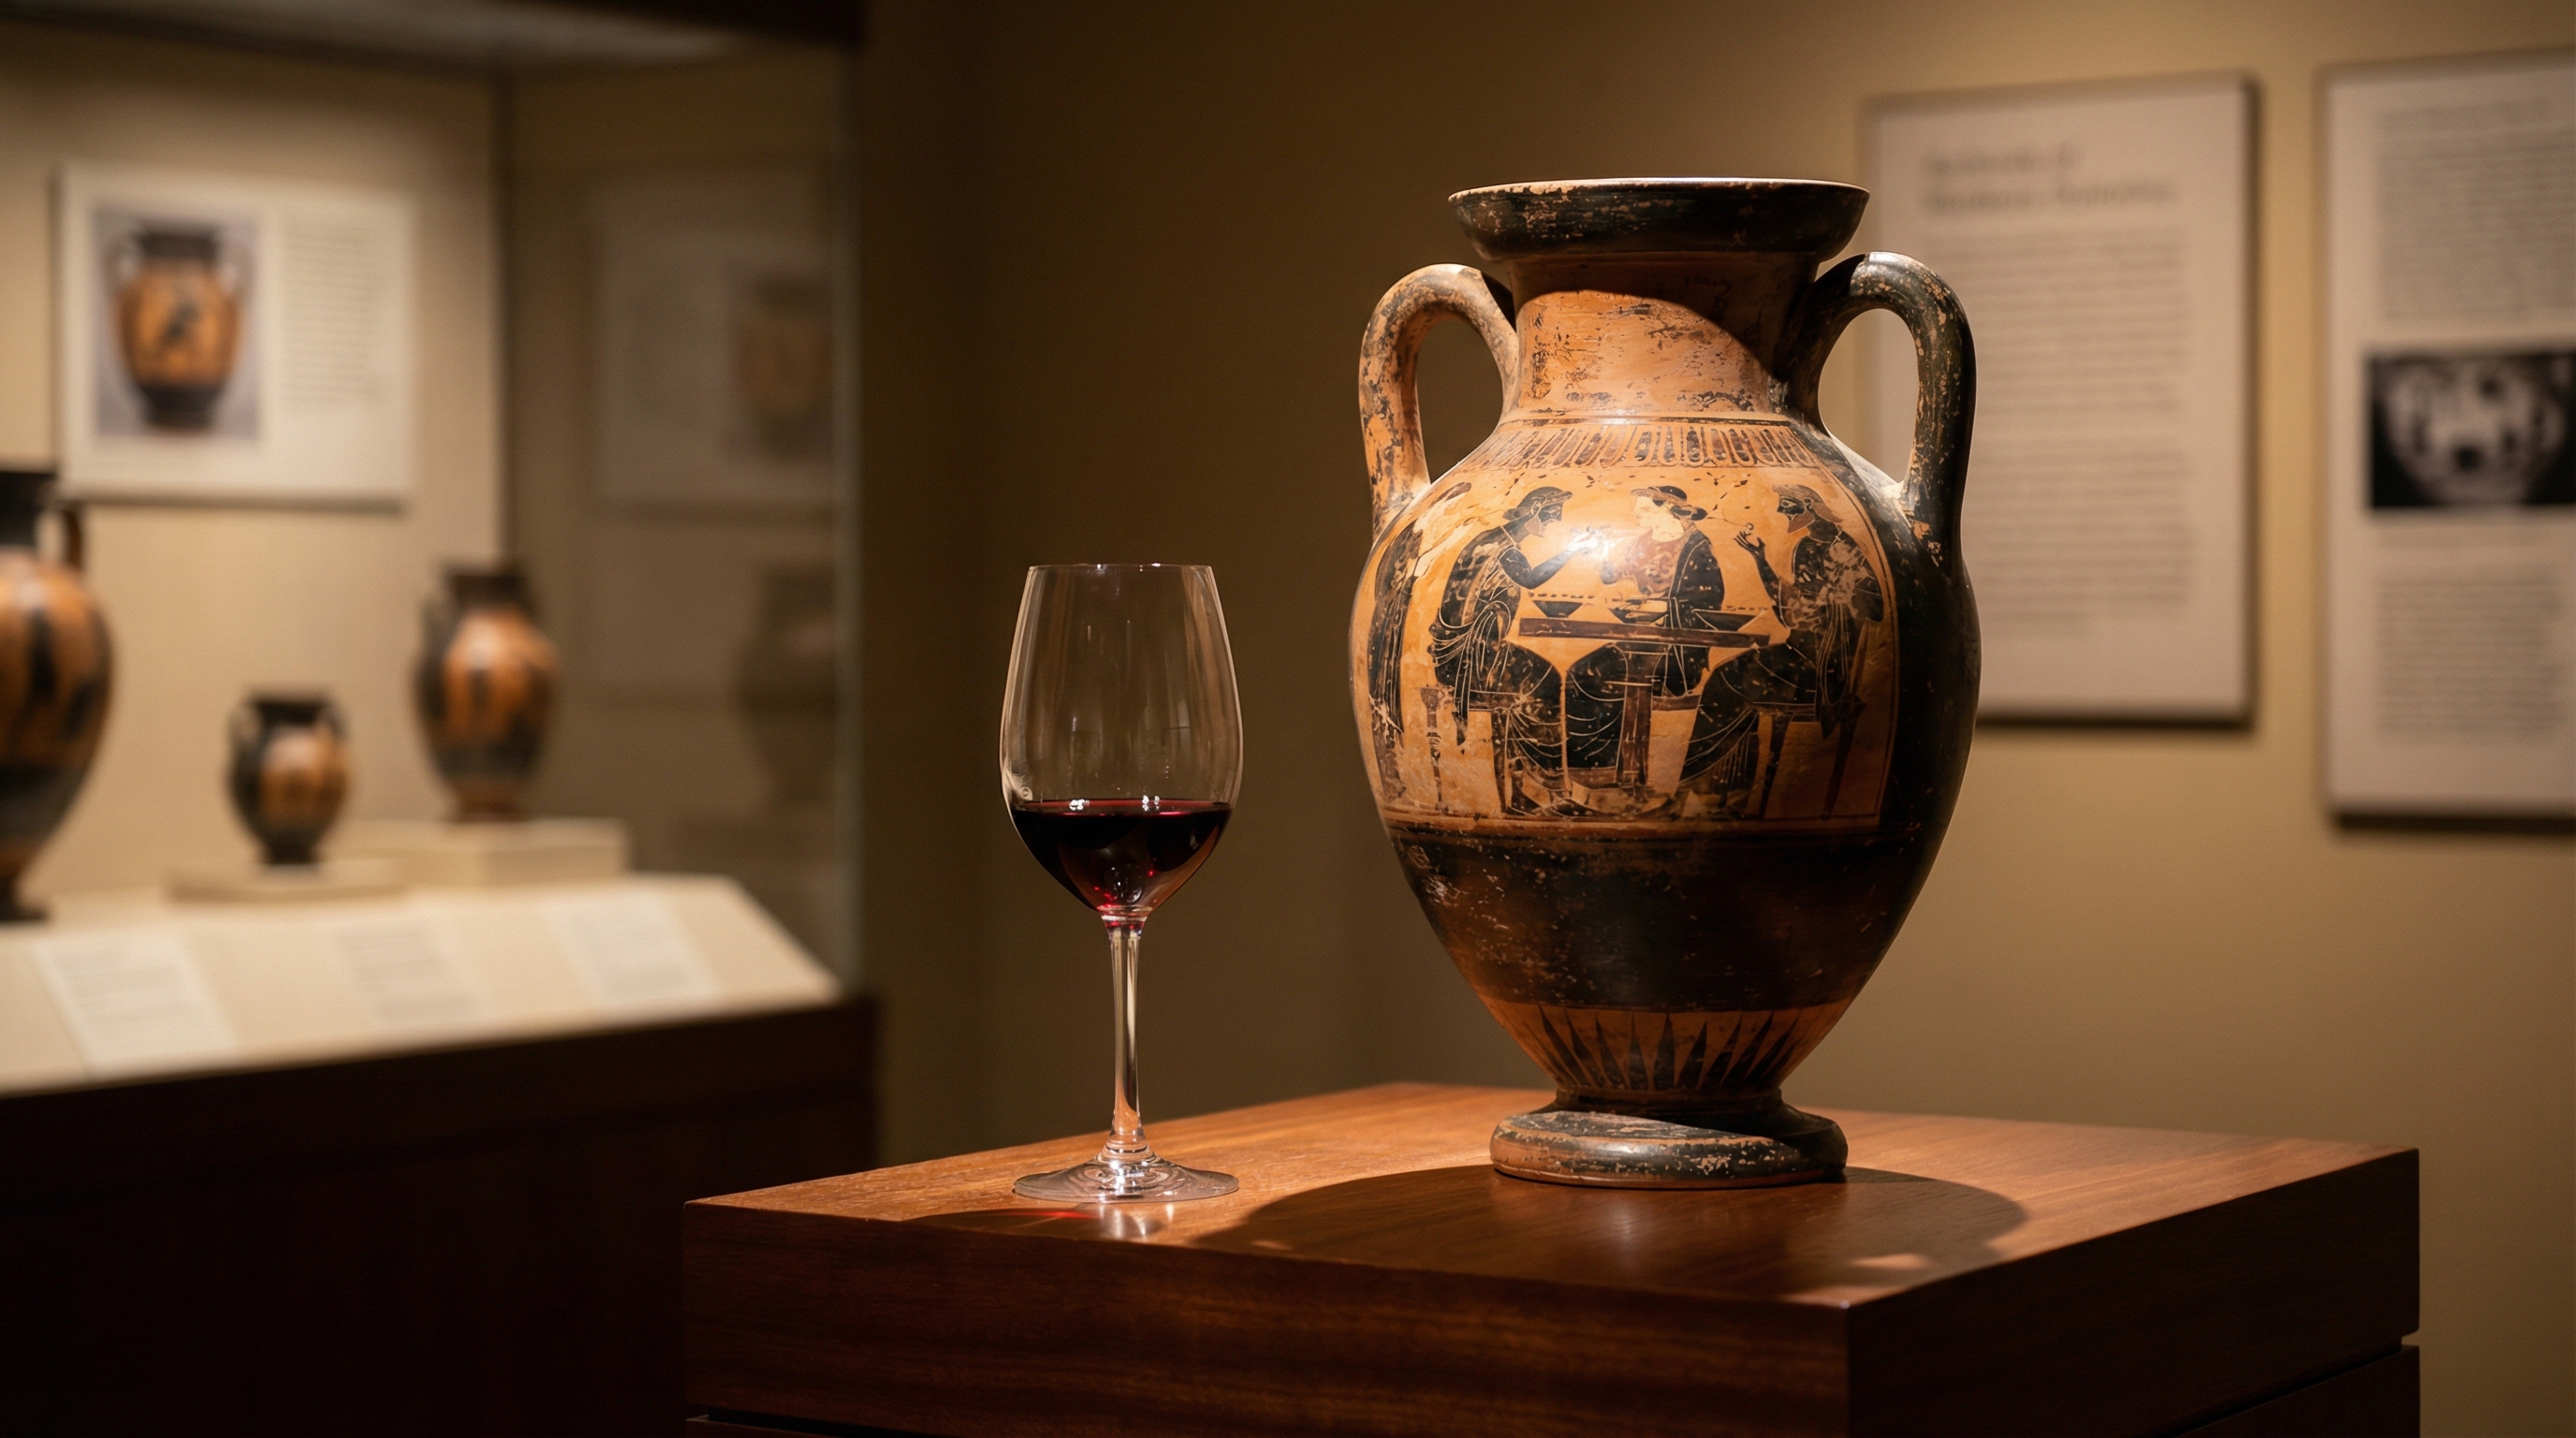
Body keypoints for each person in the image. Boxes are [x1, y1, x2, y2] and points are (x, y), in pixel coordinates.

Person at [1675, 482, 1882, 816]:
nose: (1782, 512)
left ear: (1809, 507)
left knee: (1729, 681)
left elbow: (1874, 606)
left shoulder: (1845, 549)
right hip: (1797, 652)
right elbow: (1796, 610)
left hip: (1822, 666)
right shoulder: (1806, 546)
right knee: (1732, 677)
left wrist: (1839, 598)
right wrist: (1760, 559)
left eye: (1788, 506)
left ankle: (1698, 791)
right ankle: (1721, 795)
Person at [1562, 486, 1727, 792]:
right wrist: (1592, 545)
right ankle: (1599, 772)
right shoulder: (1641, 542)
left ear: (1666, 507)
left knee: (1608, 672)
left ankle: (1625, 775)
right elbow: (1612, 576)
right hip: (1639, 636)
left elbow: (1711, 599)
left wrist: (1668, 607)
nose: (1635, 513)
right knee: (1580, 672)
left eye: (1643, 508)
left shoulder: (1696, 546)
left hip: (1679, 646)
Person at [1427, 485, 1580, 814]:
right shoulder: (1503, 548)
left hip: (1464, 652)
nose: (1553, 524)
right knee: (1548, 678)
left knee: (1536, 678)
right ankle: (1549, 790)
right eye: (1551, 517)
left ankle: (1525, 794)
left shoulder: (1487, 538)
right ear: (1535, 511)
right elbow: (1531, 579)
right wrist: (1572, 550)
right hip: (1473, 657)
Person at [1365, 481, 1471, 796]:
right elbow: (1416, 569)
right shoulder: (1412, 536)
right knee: (1386, 699)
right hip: (1390, 626)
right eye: (1451, 507)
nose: (1451, 512)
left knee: (1390, 700)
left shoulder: (1420, 534)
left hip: (1394, 622)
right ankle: (1394, 767)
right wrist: (1451, 538)